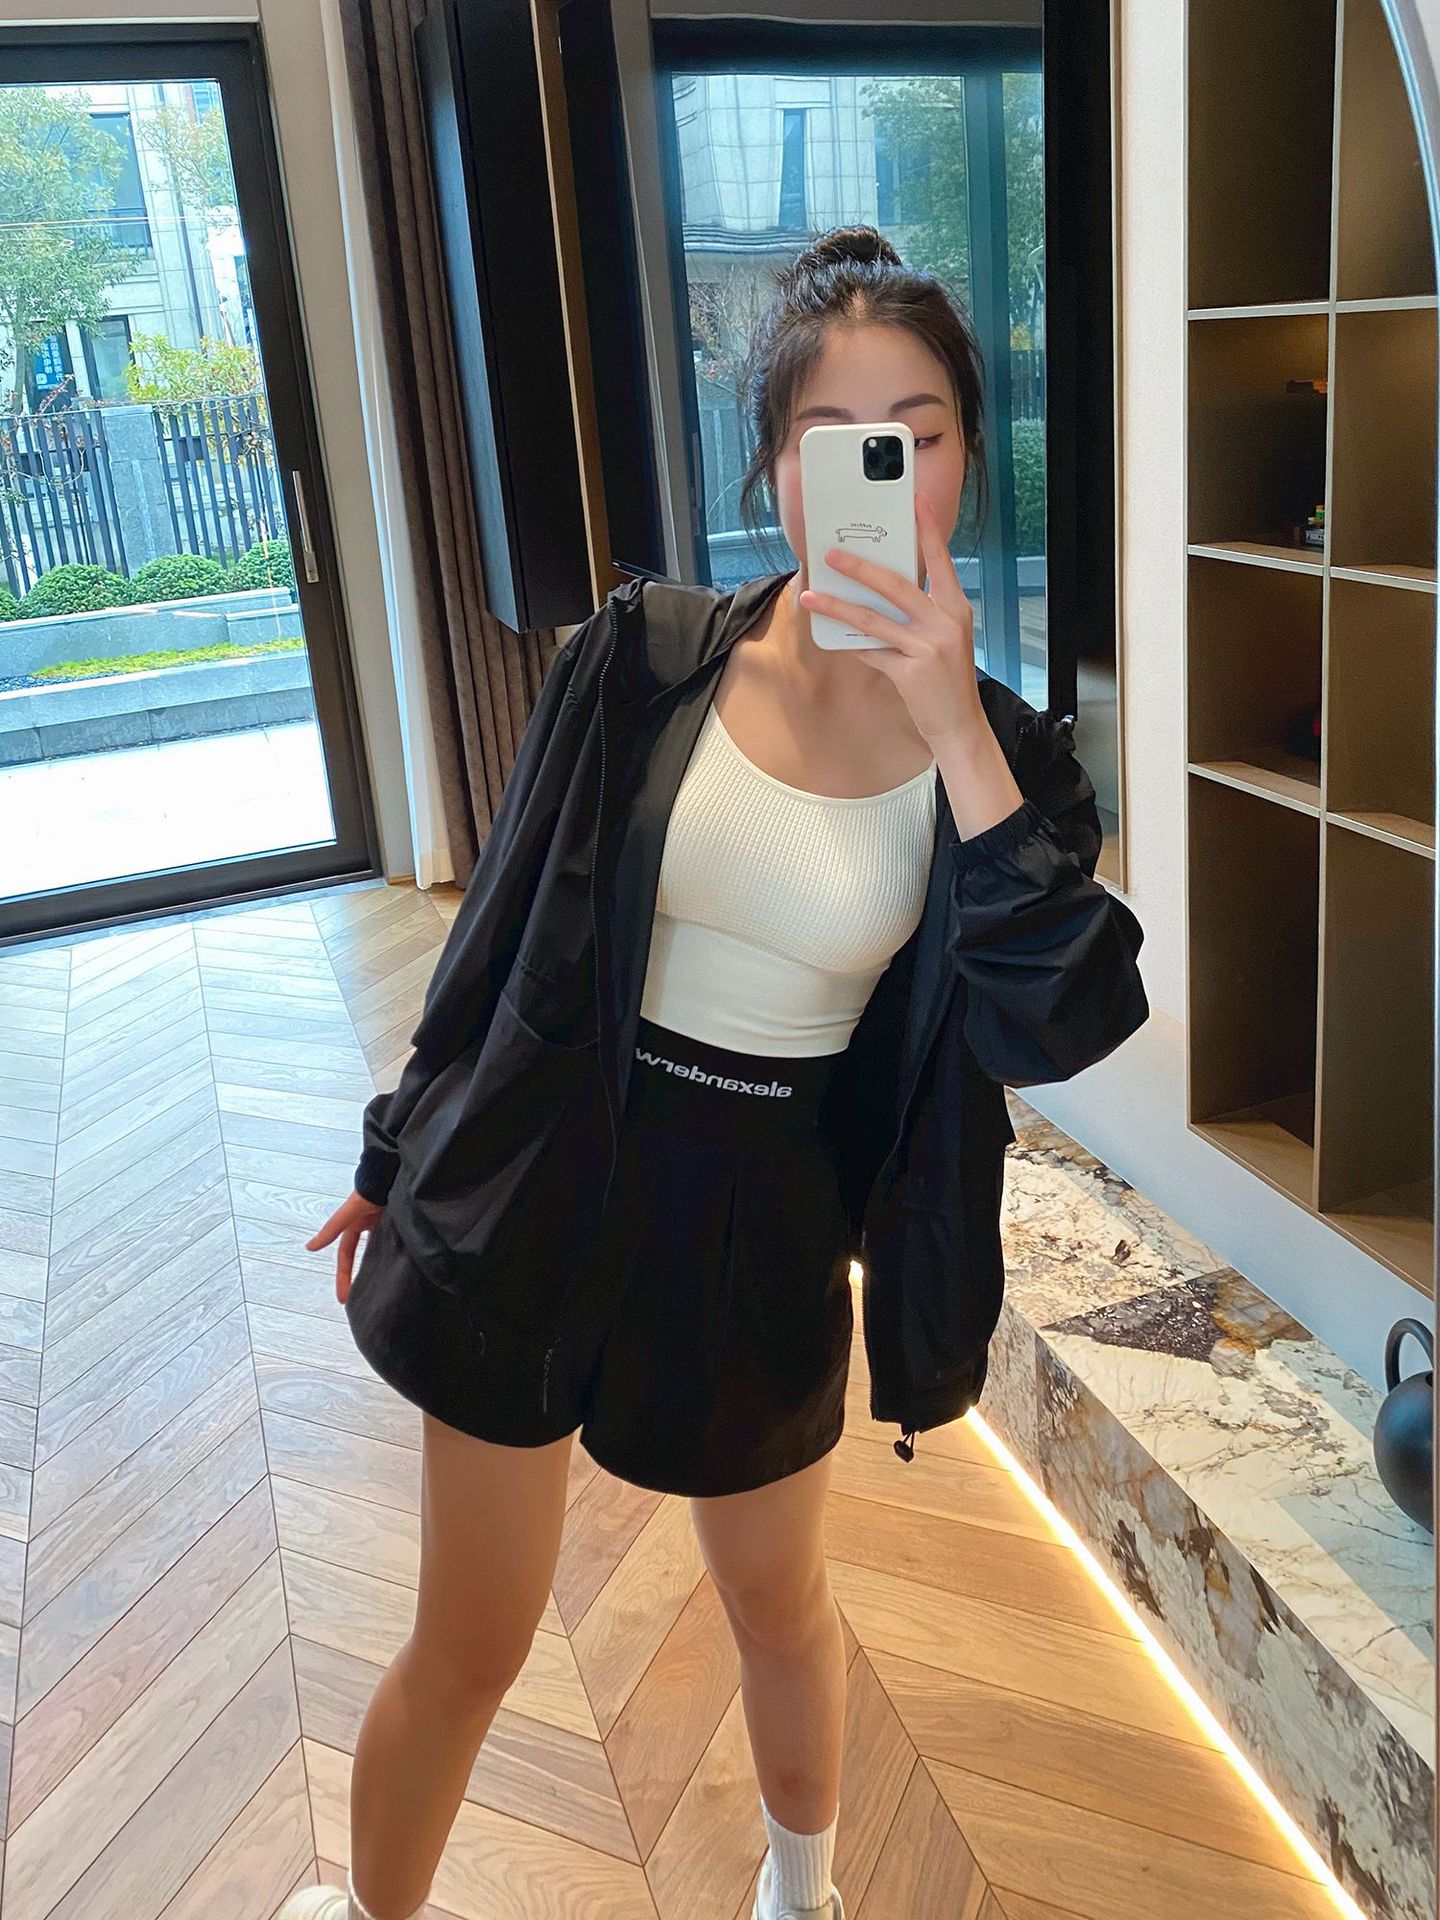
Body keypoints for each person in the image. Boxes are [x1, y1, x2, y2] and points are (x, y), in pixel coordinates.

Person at [284, 225, 1148, 1920]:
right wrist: (397, 1151)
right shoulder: (649, 657)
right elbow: (505, 918)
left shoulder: (1008, 760)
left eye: (920, 433)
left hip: (762, 1219)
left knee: (778, 1605)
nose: (883, 472)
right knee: (471, 1639)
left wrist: (950, 720)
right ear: (774, 467)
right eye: (838, 439)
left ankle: (798, 1893)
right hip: (547, 1167)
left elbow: (1063, 1016)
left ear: (968, 459)